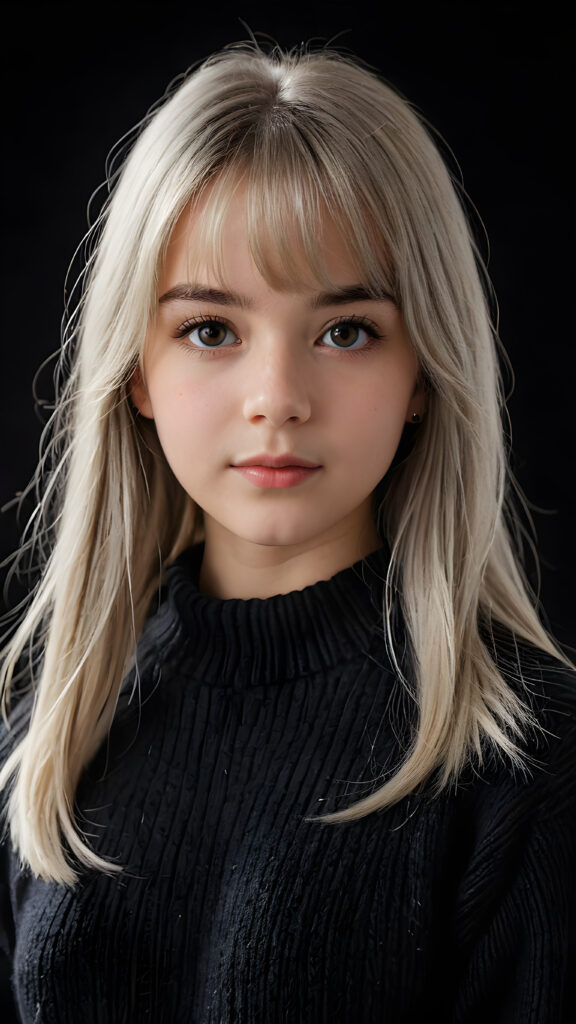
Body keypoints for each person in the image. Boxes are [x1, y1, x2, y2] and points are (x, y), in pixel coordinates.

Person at [0, 40, 574, 1024]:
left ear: (424, 373)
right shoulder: (46, 728)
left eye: (346, 329)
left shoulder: (527, 762)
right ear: (137, 367)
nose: (277, 400)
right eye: (210, 329)